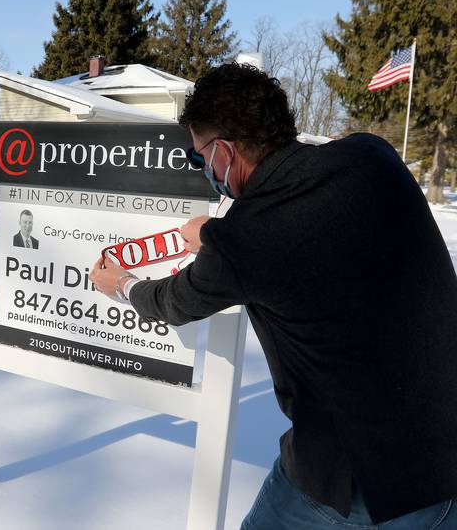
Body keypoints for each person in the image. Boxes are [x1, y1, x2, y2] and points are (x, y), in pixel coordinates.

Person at [89, 63, 457, 529]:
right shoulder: (372, 155)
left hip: (357, 480)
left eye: (198, 157)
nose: (200, 167)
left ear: (223, 151)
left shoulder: (246, 241)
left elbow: (173, 302)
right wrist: (219, 235)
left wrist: (119, 283)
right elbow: (310, 232)